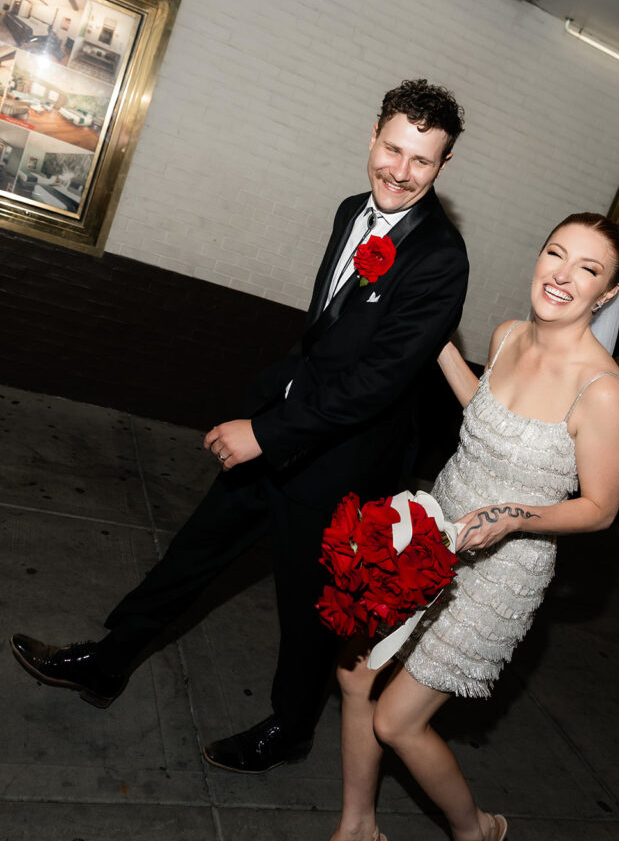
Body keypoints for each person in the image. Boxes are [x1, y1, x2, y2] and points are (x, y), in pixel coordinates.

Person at [10, 79, 470, 774]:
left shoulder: (440, 257)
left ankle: (290, 728)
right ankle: (105, 664)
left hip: (341, 464)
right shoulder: (352, 210)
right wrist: (274, 402)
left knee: (310, 610)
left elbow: (379, 383)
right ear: (370, 136)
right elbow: (327, 336)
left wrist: (269, 433)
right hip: (284, 428)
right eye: (392, 150)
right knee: (192, 552)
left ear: (442, 167)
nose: (400, 173)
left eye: (422, 162)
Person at [330, 212, 619, 841]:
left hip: (502, 570)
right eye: (556, 253)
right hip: (433, 527)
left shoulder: (603, 390)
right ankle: (357, 826)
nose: (562, 275)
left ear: (606, 293)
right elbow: (487, 412)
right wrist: (435, 333)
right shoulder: (506, 336)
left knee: (398, 722)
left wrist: (513, 517)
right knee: (353, 672)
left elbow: (601, 507)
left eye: (588, 269)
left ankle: (476, 831)